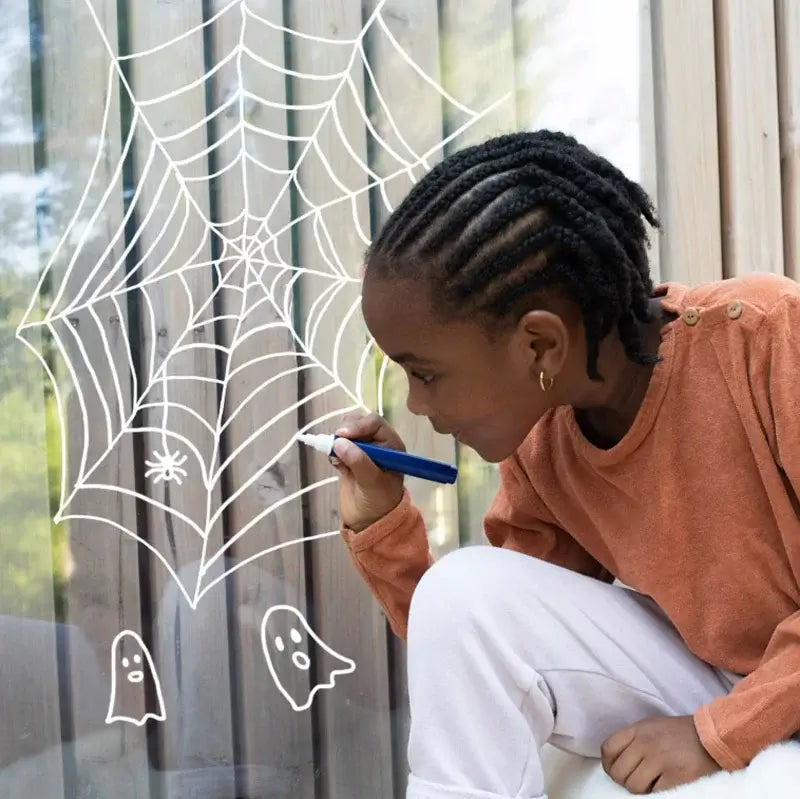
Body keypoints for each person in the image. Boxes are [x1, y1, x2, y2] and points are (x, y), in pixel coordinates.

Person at [328, 130, 800, 798]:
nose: (418, 405)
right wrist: (385, 530)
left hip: (766, 692)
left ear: (540, 344)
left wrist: (714, 734)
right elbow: (481, 652)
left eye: (426, 373)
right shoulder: (544, 446)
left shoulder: (767, 336)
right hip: (724, 680)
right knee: (463, 593)